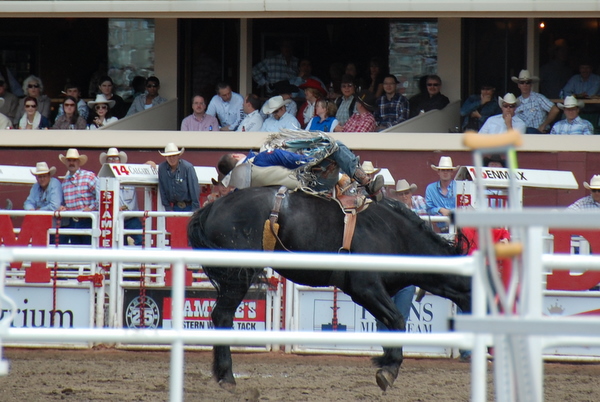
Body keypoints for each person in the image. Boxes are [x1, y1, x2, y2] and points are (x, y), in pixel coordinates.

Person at [216, 137, 384, 201]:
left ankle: (351, 166)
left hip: (295, 192)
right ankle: (367, 183)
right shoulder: (262, 157)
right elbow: (293, 160)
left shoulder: (242, 187)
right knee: (336, 146)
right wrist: (313, 160)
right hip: (314, 182)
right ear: (236, 157)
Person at [99, 148, 143, 245]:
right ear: (106, 162)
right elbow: (100, 200)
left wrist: (149, 164)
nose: (113, 161)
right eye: (110, 159)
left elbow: (141, 172)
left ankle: (141, 260)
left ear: (120, 161)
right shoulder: (102, 179)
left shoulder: (129, 175)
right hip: (115, 219)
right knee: (119, 244)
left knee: (142, 240)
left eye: (115, 158)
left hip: (131, 218)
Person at [58, 148, 99, 245]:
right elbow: (68, 203)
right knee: (77, 250)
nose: (71, 163)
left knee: (89, 249)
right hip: (73, 221)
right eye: (69, 160)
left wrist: (91, 208)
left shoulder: (89, 176)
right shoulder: (65, 182)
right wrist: (64, 208)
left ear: (78, 162)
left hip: (88, 220)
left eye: (74, 160)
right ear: (66, 163)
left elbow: (101, 195)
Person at [512, 69, 560, 134]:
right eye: (522, 82)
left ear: (531, 85)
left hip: (538, 134)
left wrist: (543, 125)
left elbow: (555, 110)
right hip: (523, 135)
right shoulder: (516, 102)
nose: (525, 85)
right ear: (519, 85)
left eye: (527, 82)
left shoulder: (538, 98)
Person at [157, 143, 200, 212]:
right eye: (169, 156)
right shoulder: (162, 169)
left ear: (178, 156)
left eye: (174, 156)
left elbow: (194, 189)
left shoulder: (187, 167)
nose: (171, 158)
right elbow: (162, 189)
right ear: (166, 157)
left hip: (189, 206)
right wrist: (167, 208)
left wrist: (195, 209)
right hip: (173, 207)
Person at [425, 156, 457, 233]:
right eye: (442, 170)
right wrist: (440, 210)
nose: (445, 172)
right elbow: (428, 209)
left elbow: (465, 207)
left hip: (459, 228)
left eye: (448, 170)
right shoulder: (430, 188)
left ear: (452, 172)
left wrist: (450, 212)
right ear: (438, 172)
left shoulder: (460, 186)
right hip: (442, 229)